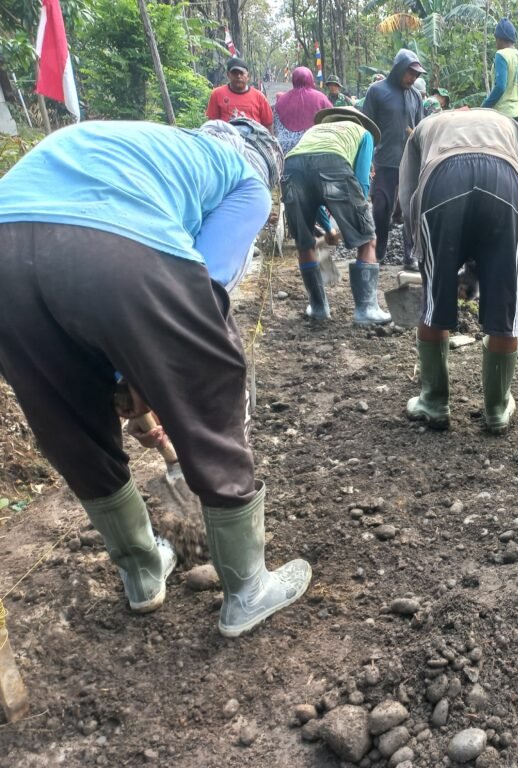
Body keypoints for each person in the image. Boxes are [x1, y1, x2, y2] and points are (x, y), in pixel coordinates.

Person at [0, 119, 311, 638]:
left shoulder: (153, 147)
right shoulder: (248, 178)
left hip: (6, 256)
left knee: (70, 422)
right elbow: (206, 291)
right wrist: (150, 376)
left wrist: (129, 382)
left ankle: (143, 574)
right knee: (212, 385)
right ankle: (248, 588)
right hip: (111, 251)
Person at [399, 109, 518, 434]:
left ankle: (434, 402)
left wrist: (427, 259)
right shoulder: (507, 123)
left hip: (441, 181)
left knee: (435, 300)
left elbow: (408, 193)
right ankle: (496, 408)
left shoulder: (426, 127)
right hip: (505, 182)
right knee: (504, 307)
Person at [283, 107, 390, 326]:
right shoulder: (363, 134)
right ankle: (366, 310)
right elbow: (360, 181)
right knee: (369, 240)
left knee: (305, 243)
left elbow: (315, 197)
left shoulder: (315, 132)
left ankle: (318, 308)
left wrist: (329, 228)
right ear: (361, 122)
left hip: (291, 166)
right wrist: (361, 217)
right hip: (332, 163)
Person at [360, 49, 425, 270]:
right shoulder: (377, 92)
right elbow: (365, 127)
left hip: (409, 164)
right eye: (410, 73)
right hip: (383, 161)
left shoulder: (415, 96)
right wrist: (366, 160)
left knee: (410, 211)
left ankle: (410, 256)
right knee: (381, 209)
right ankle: (379, 251)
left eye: (416, 76)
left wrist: (415, 137)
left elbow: (421, 129)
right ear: (399, 69)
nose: (413, 79)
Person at [273, 66, 333, 155]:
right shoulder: (321, 98)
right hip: (313, 148)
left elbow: (276, 127)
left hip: (285, 150)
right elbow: (333, 121)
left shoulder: (281, 100)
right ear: (311, 79)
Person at [206, 56, 274, 129]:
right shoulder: (217, 94)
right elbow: (212, 123)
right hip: (225, 137)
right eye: (235, 73)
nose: (238, 76)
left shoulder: (259, 97)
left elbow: (268, 124)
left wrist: (271, 139)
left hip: (253, 138)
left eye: (241, 73)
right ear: (228, 75)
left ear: (248, 76)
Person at [481, 18, 518, 120]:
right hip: (516, 114)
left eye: (496, 40)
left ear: (499, 39)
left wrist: (484, 108)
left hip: (501, 114)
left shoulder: (502, 55)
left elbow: (500, 87)